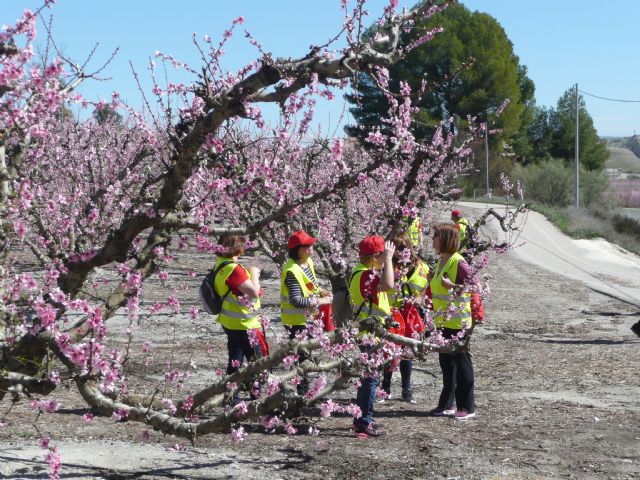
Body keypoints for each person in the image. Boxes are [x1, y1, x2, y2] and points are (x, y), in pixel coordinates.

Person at [428, 223, 476, 420]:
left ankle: (467, 406)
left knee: (462, 364)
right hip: (442, 321)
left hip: (458, 324)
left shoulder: (459, 262)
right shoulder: (442, 262)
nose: (432, 241)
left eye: (436, 237)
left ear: (445, 239)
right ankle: (446, 404)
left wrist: (453, 285)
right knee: (446, 364)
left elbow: (475, 287)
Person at [349, 235, 396, 437]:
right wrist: (389, 260)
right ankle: (363, 421)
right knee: (370, 379)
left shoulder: (361, 272)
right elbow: (388, 285)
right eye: (381, 255)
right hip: (369, 335)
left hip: (371, 332)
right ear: (375, 256)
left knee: (369, 378)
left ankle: (363, 417)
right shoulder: (365, 275)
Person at [213, 233, 266, 401]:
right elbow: (254, 293)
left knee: (235, 361)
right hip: (244, 323)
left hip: (230, 322)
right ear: (237, 247)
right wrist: (255, 274)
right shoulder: (233, 269)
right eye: (242, 245)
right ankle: (257, 398)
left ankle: (231, 398)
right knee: (257, 363)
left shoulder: (221, 264)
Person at [280, 230, 333, 394]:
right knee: (302, 359)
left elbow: (310, 286)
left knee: (307, 357)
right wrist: (322, 301)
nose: (312, 248)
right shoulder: (292, 271)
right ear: (298, 250)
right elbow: (296, 300)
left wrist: (321, 292)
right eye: (307, 246)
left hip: (308, 319)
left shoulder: (306, 263)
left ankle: (306, 392)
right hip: (297, 322)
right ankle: (302, 394)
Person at [381, 231, 430, 403]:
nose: (401, 251)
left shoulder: (421, 266)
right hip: (392, 313)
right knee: (389, 351)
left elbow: (429, 283)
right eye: (396, 247)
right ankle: (385, 388)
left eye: (404, 247)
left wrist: (421, 295)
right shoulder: (388, 266)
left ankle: (406, 390)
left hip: (411, 314)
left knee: (407, 351)